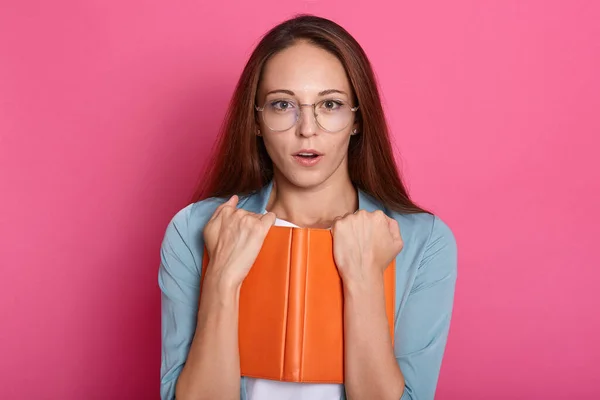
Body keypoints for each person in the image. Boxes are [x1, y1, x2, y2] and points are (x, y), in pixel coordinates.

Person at [158, 14, 457, 400]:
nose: (307, 128)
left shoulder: (423, 241)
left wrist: (365, 281)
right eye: (283, 104)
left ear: (357, 120)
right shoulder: (194, 230)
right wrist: (222, 280)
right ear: (256, 121)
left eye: (329, 104)